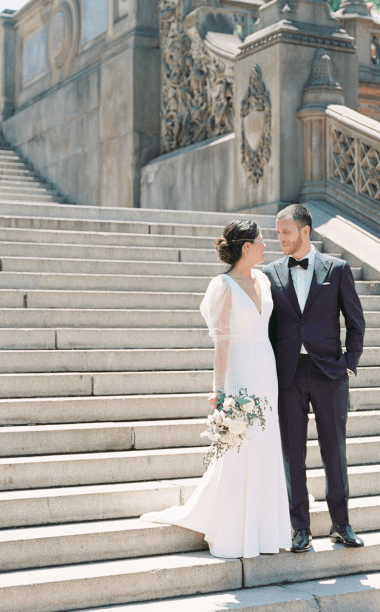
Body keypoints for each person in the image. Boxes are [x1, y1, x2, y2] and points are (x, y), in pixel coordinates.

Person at [140, 219, 291, 559]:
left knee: (265, 446)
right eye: (261, 241)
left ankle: (266, 531)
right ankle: (235, 529)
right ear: (246, 247)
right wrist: (218, 391)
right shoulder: (222, 285)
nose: (266, 246)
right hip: (240, 373)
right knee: (239, 447)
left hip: (266, 373)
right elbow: (221, 345)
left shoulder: (264, 280)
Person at [263, 204, 366, 553]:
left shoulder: (337, 270)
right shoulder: (269, 273)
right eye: (277, 234)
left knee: (334, 451)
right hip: (289, 375)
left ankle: (341, 524)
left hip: (329, 374)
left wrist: (348, 364)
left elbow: (356, 323)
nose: (280, 239)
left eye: (285, 233)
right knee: (292, 453)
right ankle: (300, 527)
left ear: (305, 232)